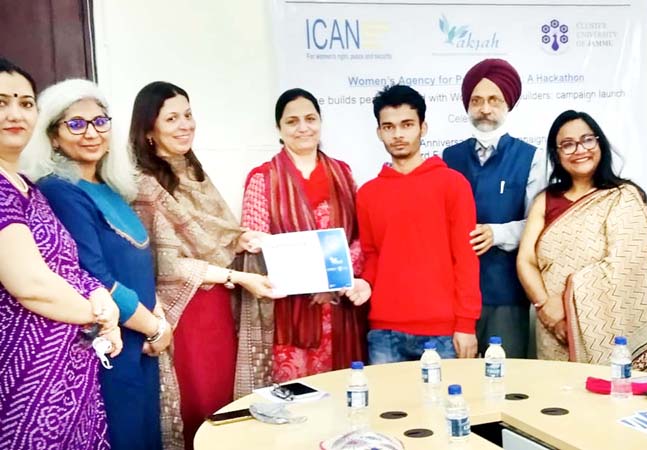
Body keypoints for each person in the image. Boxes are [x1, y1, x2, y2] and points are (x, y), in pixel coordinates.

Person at [20, 79, 166, 450]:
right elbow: (92, 273)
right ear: (53, 136)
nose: (91, 133)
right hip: (107, 343)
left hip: (140, 340)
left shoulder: (112, 187)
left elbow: (138, 263)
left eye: (100, 122)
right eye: (76, 124)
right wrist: (154, 328)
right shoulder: (59, 190)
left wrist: (158, 322)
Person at [129, 81, 274, 449]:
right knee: (198, 401)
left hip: (218, 306)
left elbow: (214, 234)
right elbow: (166, 266)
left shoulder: (194, 172)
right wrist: (238, 275)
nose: (185, 125)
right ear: (148, 130)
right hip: (183, 312)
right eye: (172, 118)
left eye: (188, 115)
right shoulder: (143, 186)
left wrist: (240, 240)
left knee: (224, 402)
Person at [0, 58, 120, 449]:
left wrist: (99, 295)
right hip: (26, 377)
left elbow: (65, 265)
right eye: (1, 102)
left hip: (71, 369)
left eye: (25, 103)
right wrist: (101, 318)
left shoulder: (27, 186)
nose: (15, 114)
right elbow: (31, 285)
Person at [517, 110, 647, 374]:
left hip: (614, 332)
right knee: (556, 396)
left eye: (587, 140)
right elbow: (526, 260)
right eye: (568, 144)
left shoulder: (623, 196)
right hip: (552, 331)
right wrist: (545, 307)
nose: (580, 150)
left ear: (599, 143)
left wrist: (566, 301)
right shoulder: (546, 200)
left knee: (614, 396)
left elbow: (627, 267)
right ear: (556, 154)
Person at [240, 88, 369, 384]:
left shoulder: (343, 173)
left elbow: (361, 235)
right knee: (296, 395)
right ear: (279, 129)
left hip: (341, 305)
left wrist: (335, 278)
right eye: (292, 121)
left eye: (310, 119)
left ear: (320, 122)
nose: (303, 128)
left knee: (343, 390)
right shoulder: (263, 178)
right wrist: (313, 277)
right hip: (290, 310)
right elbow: (256, 245)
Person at [357, 84, 481, 363]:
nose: (398, 134)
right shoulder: (367, 194)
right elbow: (372, 255)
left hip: (443, 332)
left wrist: (466, 323)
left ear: (423, 128)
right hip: (384, 330)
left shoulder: (452, 185)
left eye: (407, 124)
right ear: (379, 132)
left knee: (448, 395)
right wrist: (365, 283)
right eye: (388, 127)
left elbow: (466, 258)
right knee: (385, 395)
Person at [443, 58, 546, 358]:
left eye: (493, 100)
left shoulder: (530, 157)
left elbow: (539, 225)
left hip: (506, 292)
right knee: (455, 376)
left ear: (508, 104)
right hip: (455, 293)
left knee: (505, 374)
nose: (485, 109)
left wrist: (496, 233)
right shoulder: (450, 157)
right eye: (476, 101)